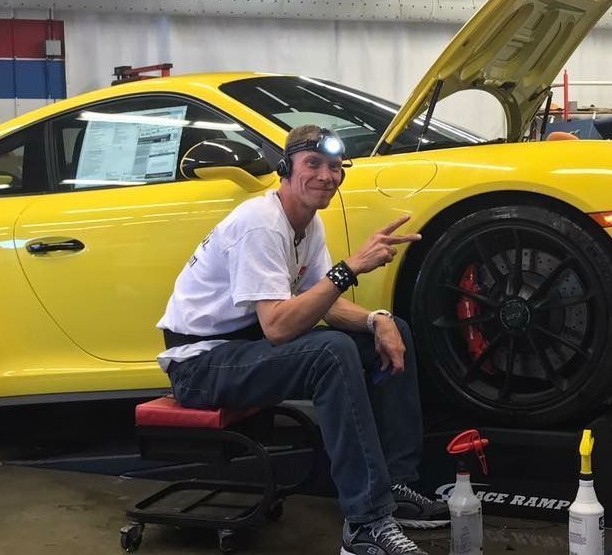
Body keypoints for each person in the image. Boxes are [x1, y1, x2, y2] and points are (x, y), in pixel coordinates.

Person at [156, 124, 449, 555]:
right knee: (329, 352)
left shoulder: (308, 226)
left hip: (242, 350)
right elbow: (277, 327)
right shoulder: (261, 223)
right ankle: (366, 525)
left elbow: (324, 303)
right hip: (200, 365)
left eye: (334, 167)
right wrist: (350, 268)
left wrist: (377, 319)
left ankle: (394, 484)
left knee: (389, 332)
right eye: (313, 164)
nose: (326, 176)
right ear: (285, 170)